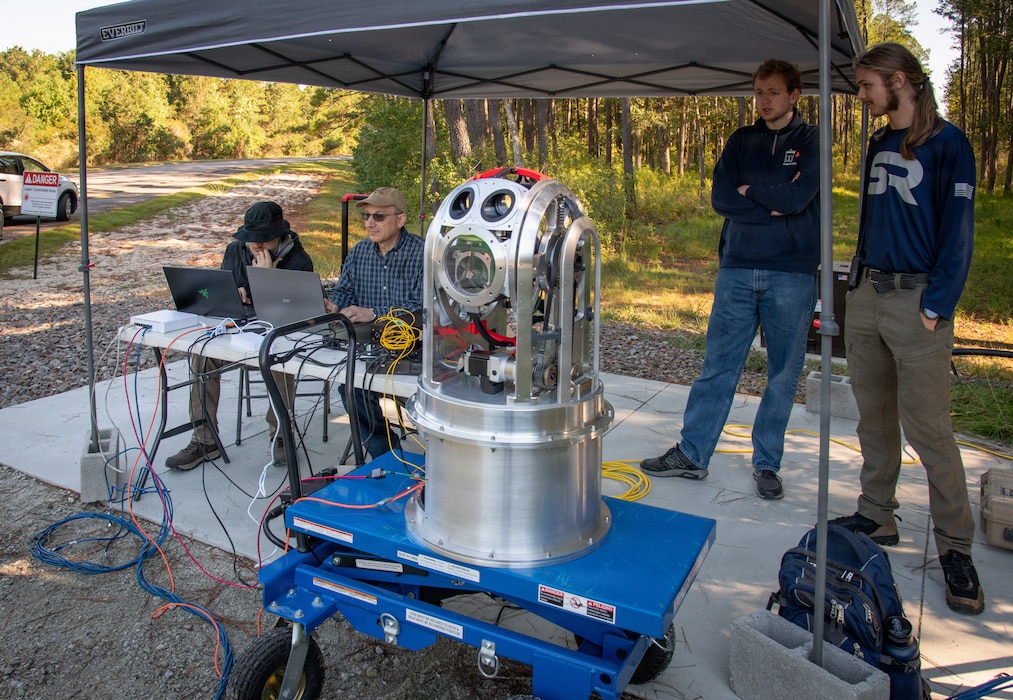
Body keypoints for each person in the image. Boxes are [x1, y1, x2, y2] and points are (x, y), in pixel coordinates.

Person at [828, 43, 983, 615]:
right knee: (874, 414)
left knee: (930, 429)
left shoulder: (950, 146)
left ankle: (956, 549)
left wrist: (937, 304)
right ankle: (877, 514)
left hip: (919, 300)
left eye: (867, 85)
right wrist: (855, 289)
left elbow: (958, 233)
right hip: (868, 295)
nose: (861, 95)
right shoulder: (878, 143)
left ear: (899, 82)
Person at [640, 58, 819, 500]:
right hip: (737, 267)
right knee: (718, 365)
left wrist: (752, 193)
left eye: (773, 92)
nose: (764, 101)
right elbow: (722, 197)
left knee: (782, 373)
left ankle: (766, 464)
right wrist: (770, 203)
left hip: (791, 271)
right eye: (759, 92)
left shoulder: (813, 139)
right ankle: (693, 454)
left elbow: (799, 197)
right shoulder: (742, 140)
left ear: (795, 94)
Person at [165, 200, 314, 471]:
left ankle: (280, 432)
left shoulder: (299, 260)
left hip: (278, 334)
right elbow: (222, 292)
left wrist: (267, 280)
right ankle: (204, 439)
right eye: (252, 240)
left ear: (279, 237)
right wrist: (235, 294)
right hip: (239, 332)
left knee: (280, 359)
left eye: (264, 240)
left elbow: (298, 314)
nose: (256, 246)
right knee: (202, 355)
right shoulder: (236, 250)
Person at [324, 186, 424, 460]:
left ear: (400, 219)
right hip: (365, 343)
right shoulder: (359, 253)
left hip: (410, 344)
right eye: (366, 216)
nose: (369, 223)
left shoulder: (422, 253)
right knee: (350, 387)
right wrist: (333, 306)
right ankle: (388, 458)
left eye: (378, 217)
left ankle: (416, 465)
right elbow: (344, 293)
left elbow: (423, 308)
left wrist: (373, 313)